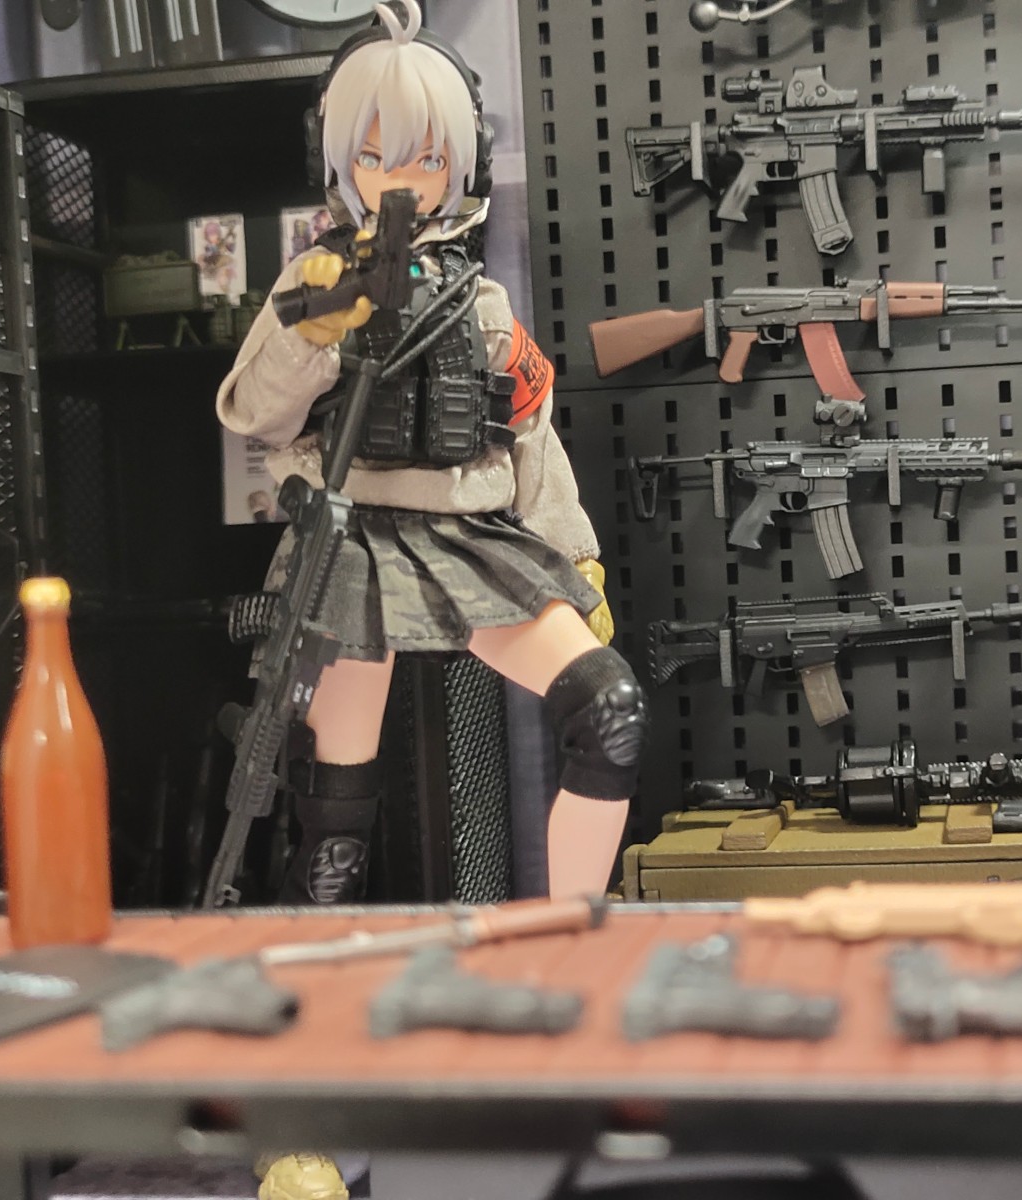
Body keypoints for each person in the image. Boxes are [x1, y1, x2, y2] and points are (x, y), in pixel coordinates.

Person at [214, 0, 643, 905]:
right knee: (335, 813)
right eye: (372, 156)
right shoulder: (317, 283)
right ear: (337, 160)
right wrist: (312, 332)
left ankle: (571, 932)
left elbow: (529, 430)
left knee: (607, 710)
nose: (397, 177)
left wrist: (573, 554)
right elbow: (253, 416)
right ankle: (314, 966)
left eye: (424, 157)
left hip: (467, 540)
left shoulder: (477, 301)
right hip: (348, 548)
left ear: (461, 160)